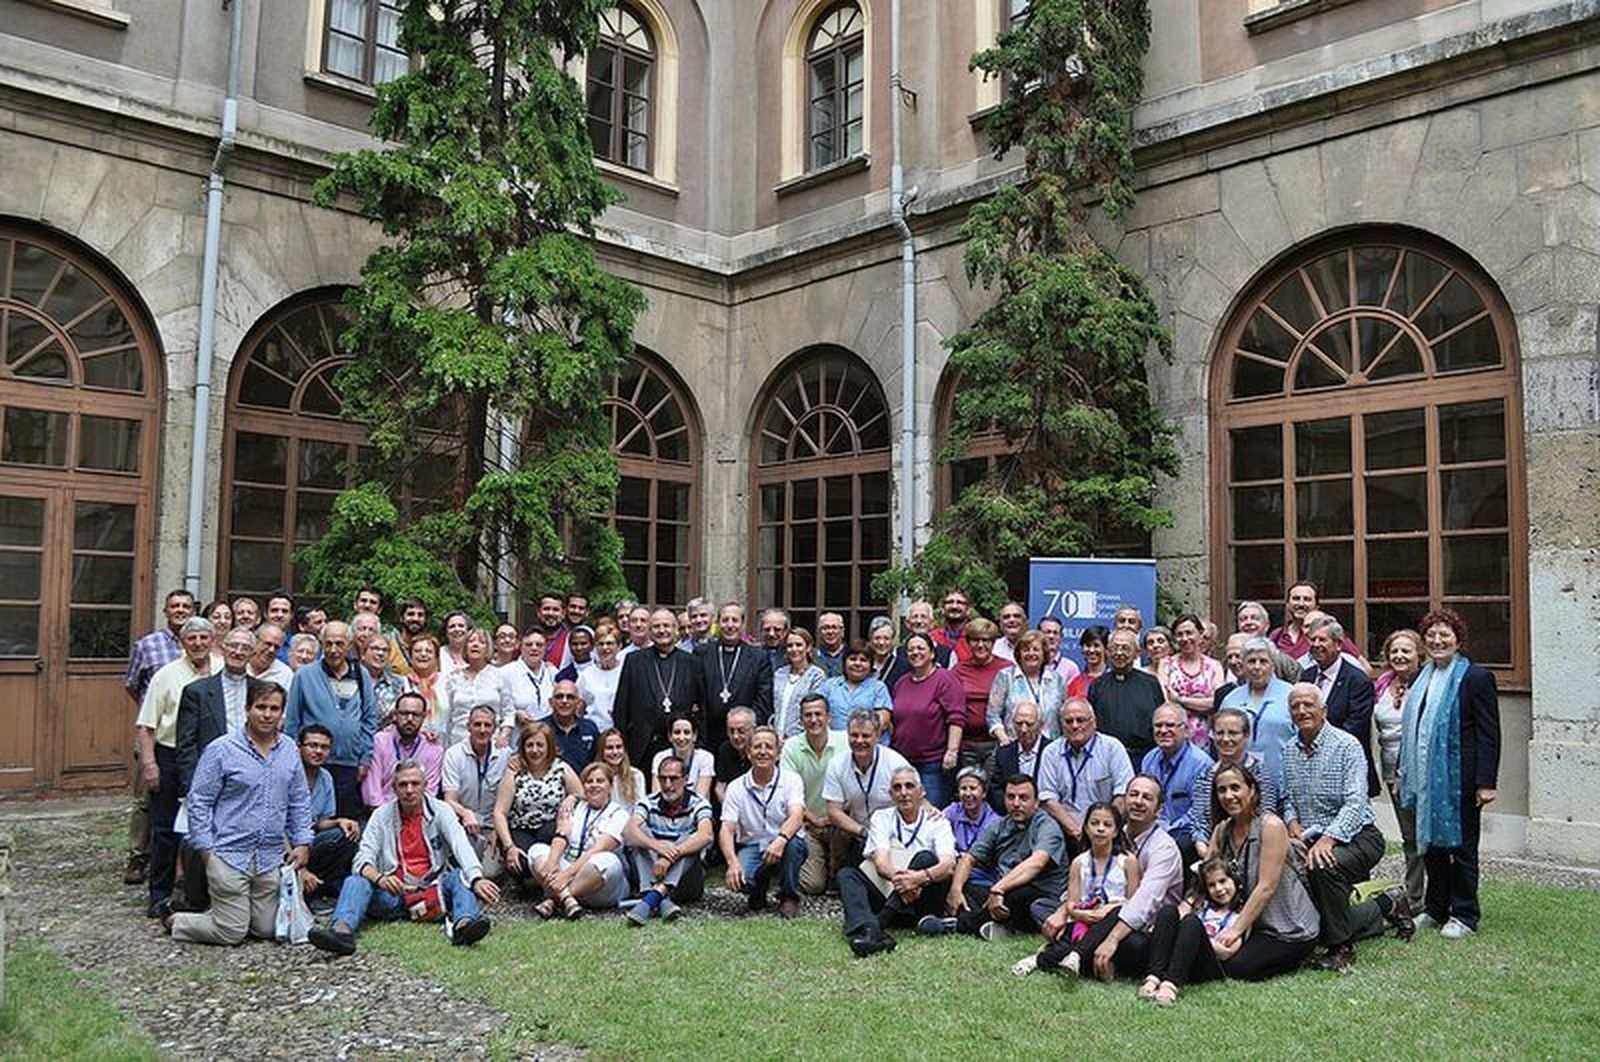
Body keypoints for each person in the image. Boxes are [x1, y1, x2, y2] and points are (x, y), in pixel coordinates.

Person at [1138, 762, 1321, 1001]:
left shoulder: (1271, 826)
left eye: (1236, 788)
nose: (1228, 795)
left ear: (1252, 790)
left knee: (1238, 967)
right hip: (1251, 925)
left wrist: (1234, 931)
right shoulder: (1222, 830)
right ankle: (1157, 977)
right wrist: (1184, 910)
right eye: (1222, 790)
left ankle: (1376, 908)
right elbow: (1204, 879)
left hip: (1286, 927)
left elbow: (1266, 887)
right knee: (1207, 943)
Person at [166, 679, 312, 945]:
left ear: (282, 713)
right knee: (232, 933)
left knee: (270, 929)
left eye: (274, 709)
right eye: (261, 707)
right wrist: (207, 852)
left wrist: (302, 842)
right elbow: (199, 802)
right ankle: (179, 920)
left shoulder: (290, 749)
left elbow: (299, 799)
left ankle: (227, 914)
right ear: (247, 709)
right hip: (228, 854)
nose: (267, 714)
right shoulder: (222, 749)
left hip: (269, 857)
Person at [307, 760, 499, 956]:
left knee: (460, 876)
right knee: (355, 881)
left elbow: (461, 845)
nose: (409, 790)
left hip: (433, 891)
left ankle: (464, 926)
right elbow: (362, 859)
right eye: (403, 785)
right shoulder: (381, 815)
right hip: (393, 894)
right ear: (394, 788)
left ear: (425, 786)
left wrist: (476, 878)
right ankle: (341, 932)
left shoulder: (441, 810)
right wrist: (380, 879)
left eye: (415, 784)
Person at [1282, 682, 1410, 971]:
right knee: (1309, 900)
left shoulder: (1347, 745)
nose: (1301, 711)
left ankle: (1340, 948)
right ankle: (1386, 905)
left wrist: (1329, 839)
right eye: (1295, 706)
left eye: (1308, 705)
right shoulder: (1289, 749)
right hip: (1310, 838)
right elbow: (1287, 797)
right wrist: (1291, 822)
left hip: (1358, 836)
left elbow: (1355, 803)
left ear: (1324, 710)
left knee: (1322, 866)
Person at [1400, 608, 1501, 939]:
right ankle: (1435, 908)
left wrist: (1486, 782)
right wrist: (1404, 770)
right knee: (1431, 845)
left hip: (1460, 778)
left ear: (1458, 640)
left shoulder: (1476, 677)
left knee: (1461, 848)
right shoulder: (1421, 677)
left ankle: (1465, 914)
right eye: (1431, 635)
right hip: (1425, 779)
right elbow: (1413, 730)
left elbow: (1489, 733)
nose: (1437, 640)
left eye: (1445, 635)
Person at [1056, 775, 1185, 981]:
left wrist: (1112, 939)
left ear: (1159, 809)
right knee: (1046, 910)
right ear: (1124, 800)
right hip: (1099, 912)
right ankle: (1081, 952)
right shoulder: (1114, 832)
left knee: (1133, 946)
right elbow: (1087, 878)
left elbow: (1144, 902)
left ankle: (1077, 953)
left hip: (1145, 926)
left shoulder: (1164, 848)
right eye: (1133, 794)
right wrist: (1063, 911)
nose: (1138, 801)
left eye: (1147, 797)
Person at [136, 616, 218, 917]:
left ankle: (206, 893)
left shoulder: (224, 670)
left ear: (212, 640)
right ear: (183, 643)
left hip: (213, 758)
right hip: (170, 757)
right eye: (191, 638)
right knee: (165, 829)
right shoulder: (166, 675)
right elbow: (146, 725)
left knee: (212, 829)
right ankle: (159, 895)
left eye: (203, 638)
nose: (198, 643)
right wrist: (149, 764)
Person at [926, 774, 1068, 940]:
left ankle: (958, 924)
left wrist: (999, 888)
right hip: (1003, 892)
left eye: (1023, 798)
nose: (1016, 803)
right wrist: (955, 890)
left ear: (1036, 802)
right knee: (964, 886)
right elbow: (969, 858)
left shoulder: (1047, 826)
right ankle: (997, 925)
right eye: (1011, 797)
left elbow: (1036, 863)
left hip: (1040, 897)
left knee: (1017, 894)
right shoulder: (1000, 825)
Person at [838, 766, 957, 957]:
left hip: (922, 904)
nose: (904, 793)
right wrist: (904, 881)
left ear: (922, 792)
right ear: (891, 794)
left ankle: (876, 928)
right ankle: (865, 927)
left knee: (925, 857)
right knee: (846, 874)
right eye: (897, 787)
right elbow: (881, 863)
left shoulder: (938, 822)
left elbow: (948, 865)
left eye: (909, 786)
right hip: (889, 890)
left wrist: (918, 878)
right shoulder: (882, 817)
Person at [1014, 801, 1140, 977]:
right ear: (1086, 828)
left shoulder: (1128, 861)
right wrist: (1080, 914)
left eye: (1107, 824)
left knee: (1117, 912)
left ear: (1117, 831)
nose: (1100, 829)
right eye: (1094, 823)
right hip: (1085, 919)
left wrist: (1108, 910)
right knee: (1069, 939)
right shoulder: (1080, 862)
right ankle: (1039, 960)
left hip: (1113, 921)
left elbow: (1134, 903)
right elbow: (1072, 902)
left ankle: (1075, 955)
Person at [122, 588, 195, 884]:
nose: (180, 610)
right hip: (153, 731)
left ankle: (177, 863)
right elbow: (131, 684)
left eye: (186, 606)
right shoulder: (148, 645)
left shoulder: (201, 642)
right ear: (165, 611)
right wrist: (150, 714)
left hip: (187, 739)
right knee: (144, 797)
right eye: (174, 606)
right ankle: (138, 857)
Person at [284, 621, 378, 822]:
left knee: (346, 822)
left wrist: (365, 758)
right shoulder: (304, 676)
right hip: (313, 763)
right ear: (321, 644)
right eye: (328, 644)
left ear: (349, 644)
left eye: (339, 643)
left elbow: (370, 718)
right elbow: (292, 721)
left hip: (349, 763)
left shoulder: (361, 675)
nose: (333, 650)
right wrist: (291, 759)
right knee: (311, 820)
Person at [718, 727, 808, 917]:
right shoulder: (736, 787)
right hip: (754, 845)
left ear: (778, 753)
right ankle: (759, 887)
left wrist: (781, 839)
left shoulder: (792, 780)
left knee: (793, 846)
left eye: (769, 747)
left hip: (785, 842)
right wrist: (732, 862)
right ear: (749, 752)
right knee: (741, 880)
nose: (763, 751)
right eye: (757, 747)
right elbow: (726, 828)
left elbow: (797, 815)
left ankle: (789, 897)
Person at [525, 762, 629, 918]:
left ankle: (553, 899)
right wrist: (552, 864)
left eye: (600, 781)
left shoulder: (619, 814)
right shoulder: (576, 807)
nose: (594, 785)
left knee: (608, 861)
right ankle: (566, 899)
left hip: (599, 885)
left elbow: (598, 849)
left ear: (610, 786)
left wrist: (565, 876)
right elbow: (561, 836)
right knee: (537, 851)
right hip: (566, 873)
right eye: (589, 781)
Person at [624, 753, 715, 923]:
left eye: (673, 779)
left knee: (691, 838)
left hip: (687, 882)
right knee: (639, 832)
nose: (668, 785)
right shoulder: (648, 802)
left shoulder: (698, 804)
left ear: (686, 779)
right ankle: (660, 897)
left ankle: (650, 898)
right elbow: (628, 832)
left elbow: (706, 835)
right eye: (663, 779)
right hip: (654, 872)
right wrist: (656, 845)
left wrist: (671, 855)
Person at [1374, 628, 1425, 910]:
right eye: (1394, 651)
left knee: (1425, 834)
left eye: (1406, 650)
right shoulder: (1383, 683)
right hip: (1390, 767)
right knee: (1409, 836)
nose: (1399, 656)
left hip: (1418, 769)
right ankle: (1415, 895)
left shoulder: (1426, 684)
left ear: (1419, 654)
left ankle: (1430, 896)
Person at [1037, 697, 1135, 845]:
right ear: (1062, 725)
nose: (1075, 726)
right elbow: (1048, 799)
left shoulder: (1113, 748)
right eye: (1069, 721)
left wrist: (1103, 827)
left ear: (1094, 722)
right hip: (1063, 830)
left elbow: (1122, 795)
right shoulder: (1050, 752)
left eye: (1080, 720)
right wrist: (1078, 832)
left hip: (1106, 831)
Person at [614, 607, 704, 766]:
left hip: (680, 746)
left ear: (676, 629)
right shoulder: (634, 661)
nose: (662, 630)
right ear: (649, 630)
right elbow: (621, 708)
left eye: (666, 626)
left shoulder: (692, 663)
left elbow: (702, 708)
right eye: (656, 626)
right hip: (643, 747)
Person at [493, 721, 582, 880]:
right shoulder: (514, 771)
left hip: (551, 828)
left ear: (549, 746)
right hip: (522, 829)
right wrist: (509, 847)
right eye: (530, 745)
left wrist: (572, 798)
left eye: (540, 745)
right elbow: (500, 812)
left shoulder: (561, 768)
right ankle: (549, 878)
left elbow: (582, 794)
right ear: (523, 748)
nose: (535, 750)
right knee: (521, 865)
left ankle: (554, 879)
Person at [1301, 616, 1379, 796]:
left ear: (1338, 644)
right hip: (1309, 770)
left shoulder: (1358, 680)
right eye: (1312, 639)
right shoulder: (1306, 676)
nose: (1316, 644)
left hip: (1346, 770)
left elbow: (1355, 727)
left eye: (1322, 639)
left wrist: (1320, 750)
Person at [824, 710, 912, 868]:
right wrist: (863, 832)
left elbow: (912, 803)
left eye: (865, 736)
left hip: (892, 832)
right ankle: (836, 876)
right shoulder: (836, 764)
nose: (859, 741)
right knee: (838, 831)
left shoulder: (896, 764)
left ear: (878, 736)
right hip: (858, 831)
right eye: (854, 735)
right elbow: (833, 811)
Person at [782, 696, 849, 895]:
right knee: (813, 885)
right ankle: (819, 868)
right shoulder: (792, 747)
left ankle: (837, 873)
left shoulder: (845, 742)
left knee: (845, 833)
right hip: (808, 824)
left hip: (840, 821)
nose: (813, 720)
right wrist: (815, 820)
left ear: (829, 717)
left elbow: (854, 786)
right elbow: (789, 793)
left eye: (818, 714)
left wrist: (836, 815)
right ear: (801, 720)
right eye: (808, 715)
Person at [889, 633, 963, 807]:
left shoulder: (945, 680)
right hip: (904, 760)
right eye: (911, 649)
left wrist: (952, 751)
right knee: (906, 810)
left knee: (931, 813)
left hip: (934, 764)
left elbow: (956, 717)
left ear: (932, 653)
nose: (915, 652)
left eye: (921, 648)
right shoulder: (901, 683)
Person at [1190, 707, 1281, 851]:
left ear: (1246, 735)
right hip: (1213, 849)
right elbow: (1199, 823)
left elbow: (1266, 818)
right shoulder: (1205, 775)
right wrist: (1207, 854)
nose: (1225, 739)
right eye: (1220, 733)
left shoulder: (1261, 773)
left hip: (1255, 849)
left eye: (1233, 733)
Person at [1140, 703, 1214, 870]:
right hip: (1154, 829)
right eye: (1158, 725)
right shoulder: (1148, 759)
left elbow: (1199, 812)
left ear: (1186, 730)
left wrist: (1167, 831)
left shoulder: (1201, 764)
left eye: (1170, 725)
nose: (1163, 730)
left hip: (1184, 834)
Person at [1218, 637, 1297, 792]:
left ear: (1273, 665)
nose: (1257, 667)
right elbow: (1219, 741)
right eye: (1251, 661)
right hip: (1239, 787)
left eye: (1263, 661)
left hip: (1283, 783)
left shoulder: (1291, 695)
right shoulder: (1231, 699)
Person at [440, 706, 510, 879]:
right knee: (459, 869)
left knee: (489, 874)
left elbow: (510, 800)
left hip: (491, 826)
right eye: (477, 724)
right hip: (462, 824)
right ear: (468, 726)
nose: (482, 730)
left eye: (487, 725)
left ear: (495, 728)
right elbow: (449, 799)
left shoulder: (505, 755)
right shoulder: (453, 754)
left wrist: (499, 829)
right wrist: (465, 813)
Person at [298, 723, 360, 904]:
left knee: (348, 835)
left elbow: (320, 822)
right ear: (299, 747)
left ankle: (321, 891)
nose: (318, 751)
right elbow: (277, 830)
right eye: (312, 745)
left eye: (324, 747)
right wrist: (300, 868)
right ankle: (302, 884)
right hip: (284, 847)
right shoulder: (288, 775)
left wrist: (340, 821)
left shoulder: (325, 778)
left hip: (311, 840)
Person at [698, 603, 772, 747]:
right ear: (718, 623)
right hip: (709, 736)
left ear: (742, 623)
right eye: (725, 620)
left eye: (734, 620)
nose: (730, 625)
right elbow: (698, 696)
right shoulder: (702, 653)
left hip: (744, 738)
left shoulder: (758, 657)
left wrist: (748, 728)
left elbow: (763, 699)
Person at [1089, 628, 1164, 764]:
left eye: (1125, 648)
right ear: (1107, 652)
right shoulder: (1097, 685)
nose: (1119, 653)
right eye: (1114, 648)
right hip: (1107, 758)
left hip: (1144, 757)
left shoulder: (1151, 683)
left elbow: (1160, 719)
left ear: (1137, 653)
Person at [362, 691, 445, 808]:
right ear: (395, 714)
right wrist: (385, 817)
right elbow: (372, 791)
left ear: (424, 717)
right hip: (380, 813)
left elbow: (429, 792)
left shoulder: (433, 749)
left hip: (417, 815)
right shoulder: (380, 741)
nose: (410, 719)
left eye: (415, 715)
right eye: (404, 714)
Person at [987, 630, 1065, 743]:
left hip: (1050, 748)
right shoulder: (1005, 677)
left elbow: (1063, 716)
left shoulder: (1057, 680)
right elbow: (993, 715)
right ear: (1019, 654)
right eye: (1026, 650)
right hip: (1014, 745)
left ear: (1044, 653)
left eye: (1036, 649)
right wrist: (1005, 740)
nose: (1031, 653)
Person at [1161, 613, 1224, 748]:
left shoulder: (1214, 666)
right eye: (1180, 634)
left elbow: (1216, 703)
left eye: (1189, 633)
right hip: (1173, 738)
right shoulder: (1166, 664)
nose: (1185, 638)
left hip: (1205, 739)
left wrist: (1180, 699)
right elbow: (1166, 702)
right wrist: (1200, 704)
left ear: (1200, 634)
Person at [952, 619, 1007, 770]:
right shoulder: (958, 670)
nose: (980, 645)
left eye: (986, 640)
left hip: (997, 742)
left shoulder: (1006, 669)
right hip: (966, 743)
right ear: (968, 643)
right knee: (968, 789)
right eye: (975, 640)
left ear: (993, 642)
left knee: (993, 789)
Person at [443, 628, 512, 747]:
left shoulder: (499, 676)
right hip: (458, 742)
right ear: (465, 647)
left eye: (481, 642)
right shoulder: (453, 678)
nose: (475, 644)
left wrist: (503, 736)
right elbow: (447, 715)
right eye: (471, 641)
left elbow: (509, 712)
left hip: (492, 742)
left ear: (488, 648)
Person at [989, 701, 1052, 812]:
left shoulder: (1052, 751)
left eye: (1029, 724)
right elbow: (996, 790)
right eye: (1019, 724)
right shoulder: (1004, 753)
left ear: (1041, 725)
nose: (1023, 729)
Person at [944, 766, 1001, 890]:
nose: (968, 793)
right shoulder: (953, 811)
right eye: (963, 789)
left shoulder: (995, 822)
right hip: (951, 875)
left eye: (973, 788)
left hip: (981, 880)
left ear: (984, 793)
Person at [819, 641, 893, 733]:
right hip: (836, 744)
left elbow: (883, 721)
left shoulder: (878, 688)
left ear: (871, 665)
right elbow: (817, 712)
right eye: (853, 659)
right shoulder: (829, 686)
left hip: (867, 744)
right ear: (844, 662)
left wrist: (859, 738)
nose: (857, 663)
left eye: (863, 660)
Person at [772, 627, 826, 738]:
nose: (794, 649)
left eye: (799, 645)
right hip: (776, 738)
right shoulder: (779, 674)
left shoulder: (816, 675)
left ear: (808, 647)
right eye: (790, 646)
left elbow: (813, 709)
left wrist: (793, 738)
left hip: (801, 738)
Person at [650, 715, 714, 798]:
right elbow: (656, 795)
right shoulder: (660, 757)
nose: (681, 738)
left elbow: (700, 797)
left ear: (694, 736)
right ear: (670, 736)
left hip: (696, 809)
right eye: (677, 732)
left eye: (686, 732)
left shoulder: (705, 758)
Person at [577, 623, 625, 731]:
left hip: (619, 733)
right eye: (600, 644)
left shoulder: (626, 672)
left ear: (619, 646)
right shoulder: (586, 675)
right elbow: (579, 709)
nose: (605, 648)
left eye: (609, 643)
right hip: (594, 731)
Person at [503, 628, 554, 725]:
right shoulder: (506, 673)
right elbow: (497, 707)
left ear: (545, 648)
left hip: (547, 735)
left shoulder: (552, 672)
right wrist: (515, 714)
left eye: (539, 645)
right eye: (528, 645)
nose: (534, 648)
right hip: (517, 735)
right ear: (520, 647)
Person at [549, 679, 601, 769]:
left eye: (570, 697)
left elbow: (599, 762)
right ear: (551, 702)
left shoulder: (590, 728)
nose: (564, 701)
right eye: (559, 696)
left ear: (578, 703)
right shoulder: (540, 729)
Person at [362, 634, 410, 724]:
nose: (380, 653)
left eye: (385, 650)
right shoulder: (352, 680)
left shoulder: (400, 683)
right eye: (375, 649)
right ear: (363, 654)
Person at [714, 706, 757, 804]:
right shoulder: (724, 749)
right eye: (731, 731)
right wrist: (731, 809)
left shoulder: (762, 751)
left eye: (741, 731)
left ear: (753, 729)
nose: (735, 736)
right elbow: (720, 787)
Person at [597, 727, 646, 808]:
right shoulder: (595, 777)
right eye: (609, 748)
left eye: (619, 747)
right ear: (601, 751)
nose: (615, 752)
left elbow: (640, 808)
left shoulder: (636, 775)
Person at [1268, 581, 1319, 659]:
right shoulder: (1276, 636)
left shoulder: (1328, 634)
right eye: (1296, 599)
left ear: (1317, 606)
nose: (1301, 604)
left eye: (1307, 599)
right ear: (1287, 604)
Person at [406, 635, 445, 731]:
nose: (423, 654)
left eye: (429, 651)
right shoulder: (401, 683)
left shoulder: (448, 682)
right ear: (410, 656)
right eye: (417, 651)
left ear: (436, 657)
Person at [1065, 625, 1109, 700]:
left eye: (1096, 646)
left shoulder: (1113, 679)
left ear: (1106, 649)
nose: (1091, 650)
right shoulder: (1075, 683)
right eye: (1088, 645)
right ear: (1082, 649)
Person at [247, 622, 295, 689]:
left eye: (277, 647)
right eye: (268, 644)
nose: (271, 650)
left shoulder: (285, 674)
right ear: (255, 641)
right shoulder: (240, 664)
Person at [1037, 617, 1082, 689]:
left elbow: (1075, 697)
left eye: (1055, 633)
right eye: (1047, 632)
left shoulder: (1070, 668)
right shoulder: (1030, 664)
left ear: (1061, 637)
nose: (1051, 636)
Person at [931, 588, 973, 664]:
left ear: (968, 610)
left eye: (960, 603)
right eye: (950, 602)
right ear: (942, 609)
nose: (954, 606)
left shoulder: (975, 638)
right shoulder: (933, 637)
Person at [389, 598, 430, 675]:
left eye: (420, 615)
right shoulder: (389, 646)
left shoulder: (430, 649)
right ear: (401, 618)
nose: (415, 618)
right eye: (410, 614)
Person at [866, 616, 906, 689]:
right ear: (870, 639)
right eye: (877, 638)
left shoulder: (902, 666)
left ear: (893, 640)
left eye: (886, 638)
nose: (881, 643)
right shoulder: (863, 662)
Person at [437, 610, 471, 676]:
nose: (457, 629)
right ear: (446, 632)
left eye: (461, 626)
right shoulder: (438, 654)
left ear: (468, 630)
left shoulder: (475, 654)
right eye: (452, 626)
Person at [814, 612, 847, 677]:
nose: (830, 632)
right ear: (819, 632)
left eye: (834, 627)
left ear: (842, 631)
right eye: (826, 628)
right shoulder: (811, 656)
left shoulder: (851, 655)